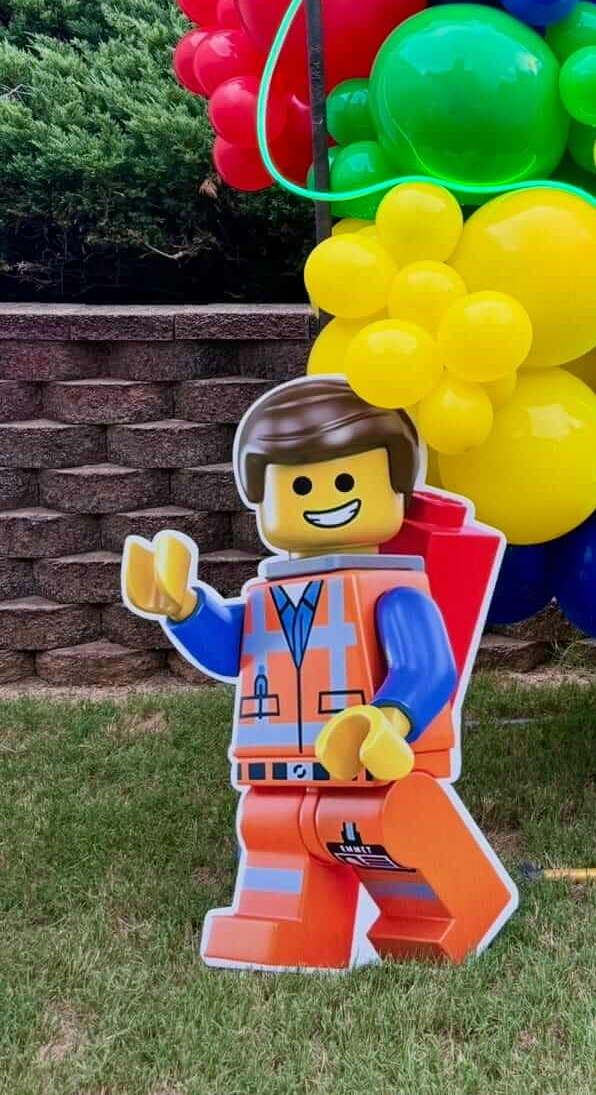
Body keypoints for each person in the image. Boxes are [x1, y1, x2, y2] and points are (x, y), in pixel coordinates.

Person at [122, 373, 517, 970]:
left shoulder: (396, 589)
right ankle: (286, 925)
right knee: (279, 839)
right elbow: (234, 650)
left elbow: (428, 664)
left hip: (372, 767)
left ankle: (443, 911)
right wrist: (185, 608)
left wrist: (391, 715)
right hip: (279, 773)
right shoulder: (267, 595)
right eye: (300, 484)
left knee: (388, 832)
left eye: (345, 479)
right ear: (266, 498)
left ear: (396, 489)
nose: (326, 497)